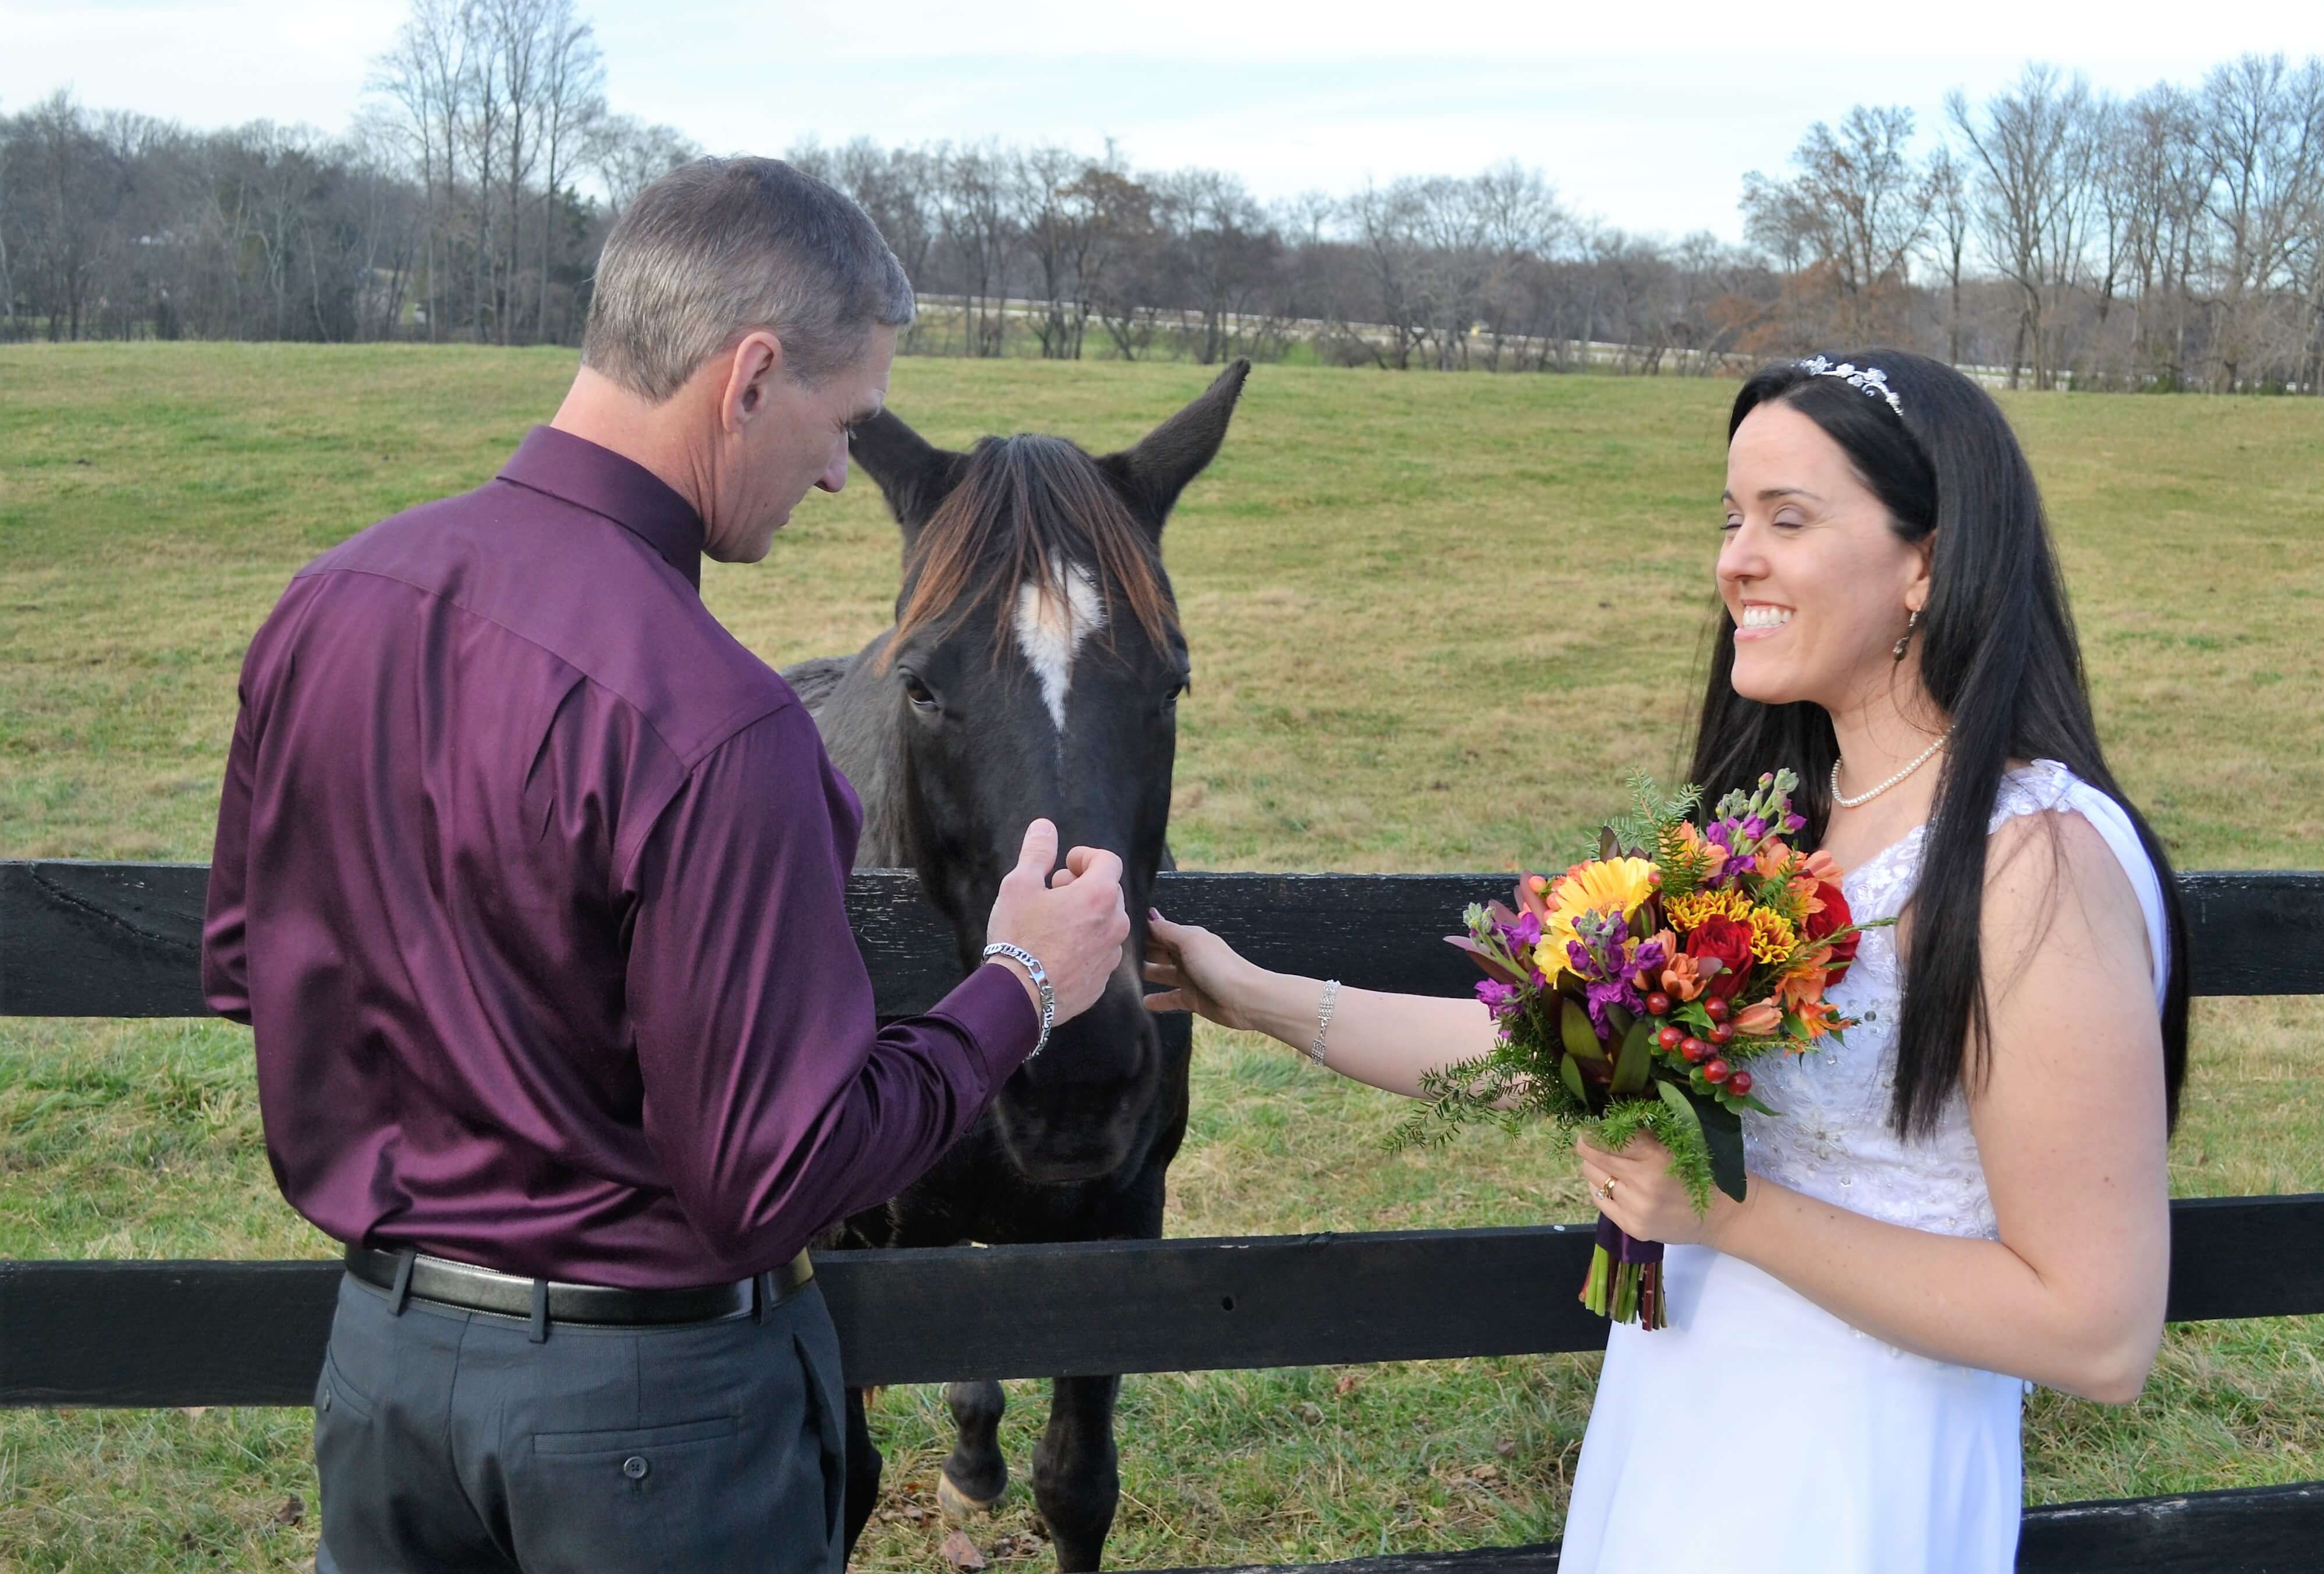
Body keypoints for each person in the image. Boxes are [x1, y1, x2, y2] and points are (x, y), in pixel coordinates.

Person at [201, 157, 1131, 1574]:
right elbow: (778, 1172)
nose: (839, 472)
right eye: (843, 420)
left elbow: (245, 966)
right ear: (748, 376)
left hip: (385, 1372)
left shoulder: (327, 606)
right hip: (646, 1418)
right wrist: (1018, 983)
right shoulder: (715, 724)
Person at [1144, 349, 2190, 1573]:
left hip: (1854, 1482)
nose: (1734, 559)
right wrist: (1254, 995)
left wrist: (1731, 1216)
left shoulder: (2030, 862)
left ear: (1927, 562)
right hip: (1681, 1432)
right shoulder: (1777, 832)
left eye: (1786, 519)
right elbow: (1545, 1048)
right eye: (1730, 517)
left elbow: (2097, 1331)